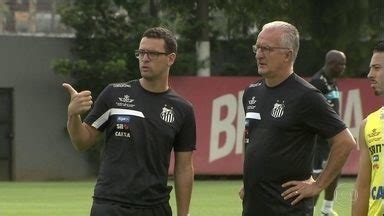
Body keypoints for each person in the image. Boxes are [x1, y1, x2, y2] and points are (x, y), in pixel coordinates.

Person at [62, 27, 196, 216]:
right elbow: (82, 141)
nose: (145, 58)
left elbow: (184, 167)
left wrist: (184, 214)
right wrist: (73, 116)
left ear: (171, 58)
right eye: (141, 52)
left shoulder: (183, 109)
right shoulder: (114, 93)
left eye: (152, 53)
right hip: (110, 205)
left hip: (155, 208)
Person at [239, 21, 356, 216]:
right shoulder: (252, 92)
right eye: (257, 48)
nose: (259, 54)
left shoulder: (307, 96)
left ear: (288, 55)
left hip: (288, 210)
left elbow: (345, 141)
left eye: (266, 48)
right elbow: (250, 136)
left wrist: (317, 185)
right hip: (253, 207)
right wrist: (248, 181)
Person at [310, 50, 347, 215]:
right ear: (332, 63)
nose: (343, 68)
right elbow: (311, 111)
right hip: (319, 141)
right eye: (341, 64)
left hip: (331, 139)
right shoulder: (318, 82)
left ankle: (327, 208)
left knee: (335, 170)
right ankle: (307, 211)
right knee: (317, 178)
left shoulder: (332, 82)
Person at [352, 41, 384, 216]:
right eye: (371, 68)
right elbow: (363, 187)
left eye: (377, 68)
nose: (370, 75)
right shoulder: (368, 124)